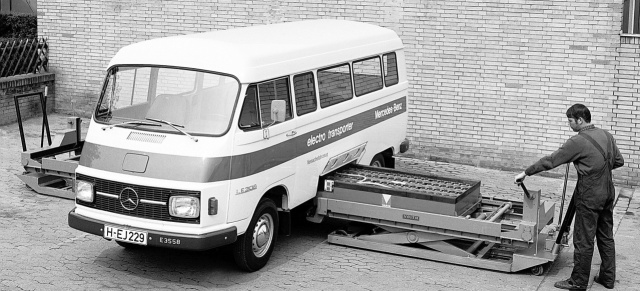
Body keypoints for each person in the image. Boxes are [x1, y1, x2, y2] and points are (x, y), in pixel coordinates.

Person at [514, 104, 624, 291]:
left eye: (570, 121)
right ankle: (607, 277)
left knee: (583, 238)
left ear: (580, 120)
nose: (569, 125)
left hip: (589, 195)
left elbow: (550, 161)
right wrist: (597, 170)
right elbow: (619, 161)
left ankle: (578, 281)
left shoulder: (577, 142)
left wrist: (526, 172)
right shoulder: (606, 135)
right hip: (607, 192)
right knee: (606, 236)